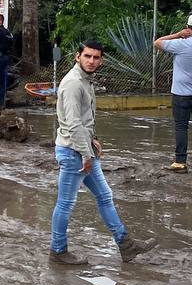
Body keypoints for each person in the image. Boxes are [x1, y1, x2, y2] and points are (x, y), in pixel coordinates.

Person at [49, 39, 154, 267]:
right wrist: (86, 155)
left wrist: (93, 139)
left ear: (101, 60)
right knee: (65, 203)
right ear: (78, 56)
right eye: (87, 56)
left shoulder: (86, 80)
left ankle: (126, 245)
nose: (91, 61)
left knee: (105, 196)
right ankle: (58, 251)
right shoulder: (73, 83)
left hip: (82, 149)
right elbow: (73, 124)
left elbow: (84, 120)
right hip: (73, 152)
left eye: (96, 57)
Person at [154, 15, 192, 172]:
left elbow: (157, 42)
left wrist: (178, 34)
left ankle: (180, 162)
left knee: (181, 127)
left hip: (182, 93)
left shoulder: (181, 44)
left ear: (188, 27)